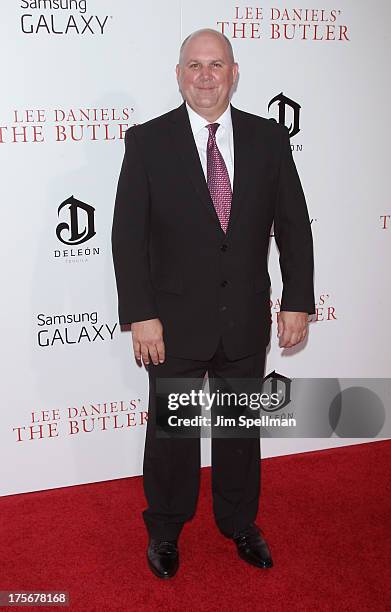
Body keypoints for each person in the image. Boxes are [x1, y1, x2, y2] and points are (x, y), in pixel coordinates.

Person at [111, 28, 315, 579]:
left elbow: (293, 226)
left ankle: (239, 522)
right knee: (172, 435)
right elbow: (127, 237)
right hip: (172, 323)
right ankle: (166, 528)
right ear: (179, 74)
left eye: (216, 65)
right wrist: (141, 314)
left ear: (234, 72)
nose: (206, 76)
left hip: (245, 316)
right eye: (194, 66)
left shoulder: (269, 139)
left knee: (239, 431)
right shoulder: (148, 142)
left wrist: (297, 299)